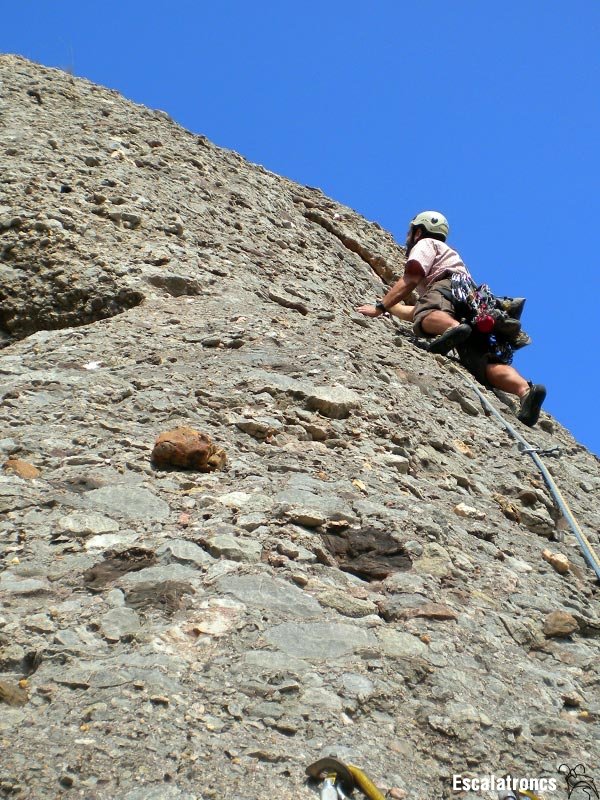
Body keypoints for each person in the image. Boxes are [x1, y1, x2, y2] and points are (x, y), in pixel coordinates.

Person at [357, 211, 546, 427]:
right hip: (471, 302)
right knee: (484, 363)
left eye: (411, 232)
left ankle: (454, 329)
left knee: (429, 317)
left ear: (419, 231)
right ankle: (524, 391)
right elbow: (418, 311)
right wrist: (395, 309)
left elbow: (412, 280)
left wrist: (380, 307)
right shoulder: (454, 259)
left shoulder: (426, 243)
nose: (408, 236)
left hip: (447, 292)